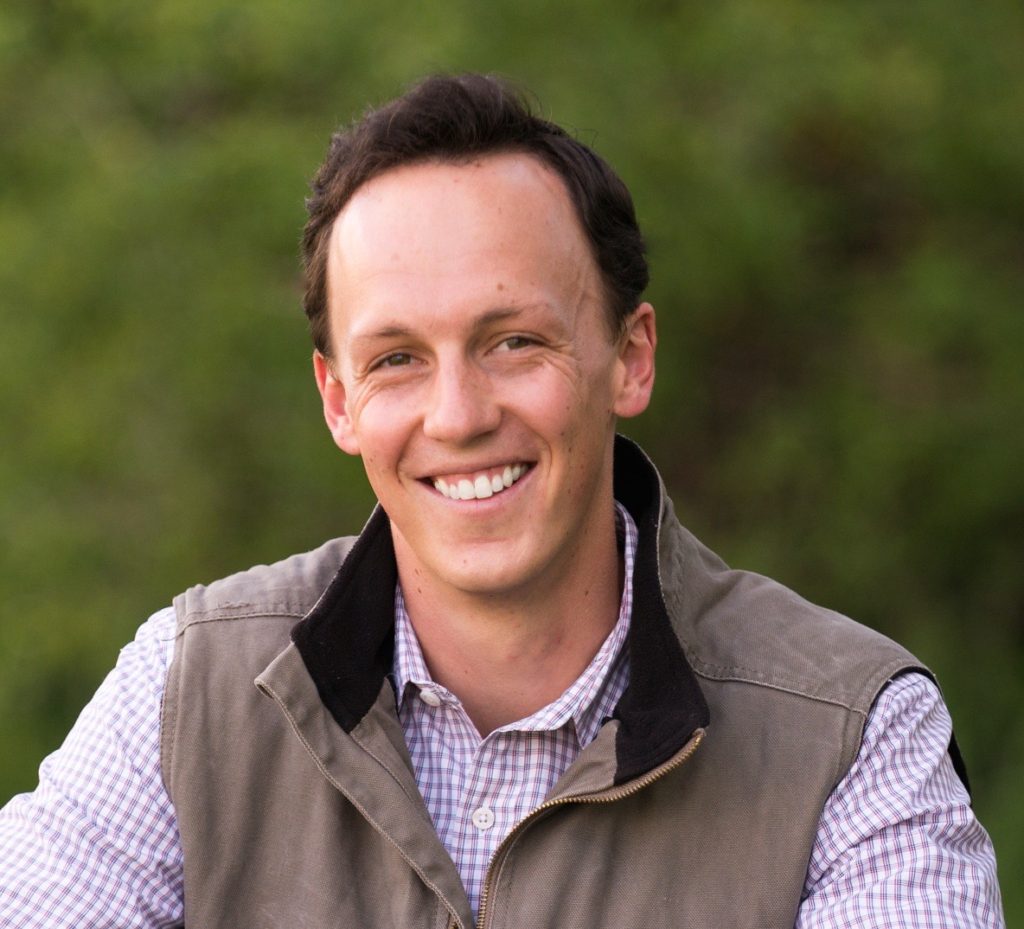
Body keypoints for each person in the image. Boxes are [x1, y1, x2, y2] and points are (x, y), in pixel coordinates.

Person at [0, 73, 1003, 928]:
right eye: (396, 359)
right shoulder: (189, 694)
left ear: (630, 355)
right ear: (339, 401)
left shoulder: (852, 735)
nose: (458, 412)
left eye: (513, 341)